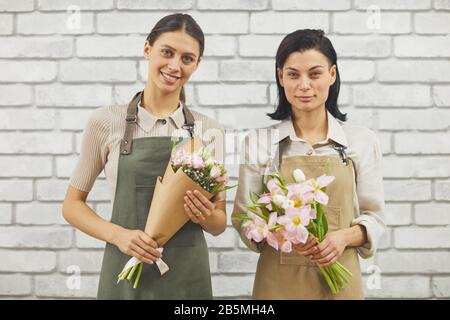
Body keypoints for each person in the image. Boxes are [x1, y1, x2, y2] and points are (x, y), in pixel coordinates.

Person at [63, 13, 226, 300]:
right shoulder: (106, 122)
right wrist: (118, 236)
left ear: (197, 65)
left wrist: (207, 215)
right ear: (147, 49)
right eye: (167, 52)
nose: (175, 66)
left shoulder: (208, 131)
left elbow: (219, 224)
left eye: (187, 58)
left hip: (187, 278)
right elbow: (72, 206)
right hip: (124, 266)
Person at [232, 29, 385, 299]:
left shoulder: (361, 141)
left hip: (340, 282)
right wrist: (281, 231)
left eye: (314, 74)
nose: (304, 85)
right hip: (277, 285)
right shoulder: (259, 142)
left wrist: (342, 238)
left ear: (332, 75)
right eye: (293, 74)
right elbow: (245, 220)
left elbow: (375, 218)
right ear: (281, 77)